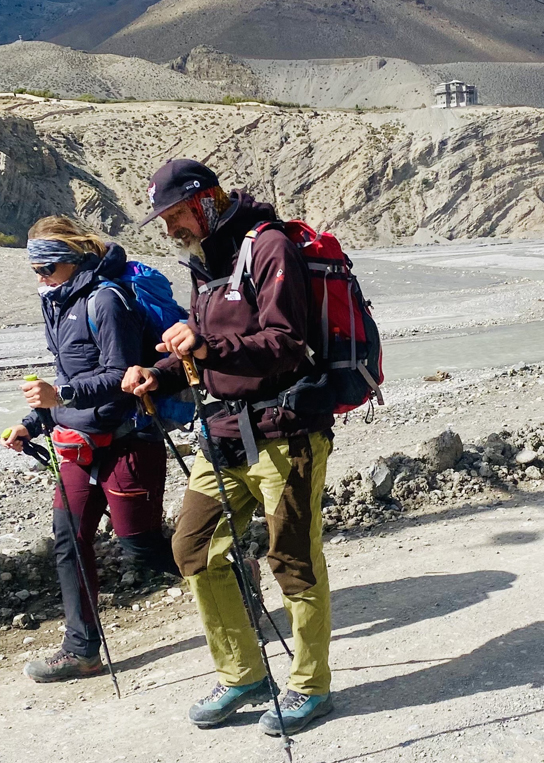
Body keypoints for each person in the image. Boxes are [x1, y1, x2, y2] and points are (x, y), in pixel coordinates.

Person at [121, 160, 335, 735]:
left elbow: (285, 343)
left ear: (206, 201)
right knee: (193, 549)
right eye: (164, 221)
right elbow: (201, 349)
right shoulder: (207, 263)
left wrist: (206, 345)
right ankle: (242, 672)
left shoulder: (269, 248)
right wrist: (159, 374)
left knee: (292, 560)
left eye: (174, 216)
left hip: (284, 432)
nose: (169, 231)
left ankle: (310, 686)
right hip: (220, 433)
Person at [1, 215, 179, 683]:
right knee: (69, 540)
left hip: (129, 438)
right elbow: (68, 380)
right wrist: (32, 423)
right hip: (79, 442)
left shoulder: (107, 300)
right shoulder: (58, 304)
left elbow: (122, 377)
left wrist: (59, 399)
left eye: (48, 268)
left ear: (74, 259)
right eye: (36, 271)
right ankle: (81, 650)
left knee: (140, 546)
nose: (41, 279)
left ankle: (235, 575)